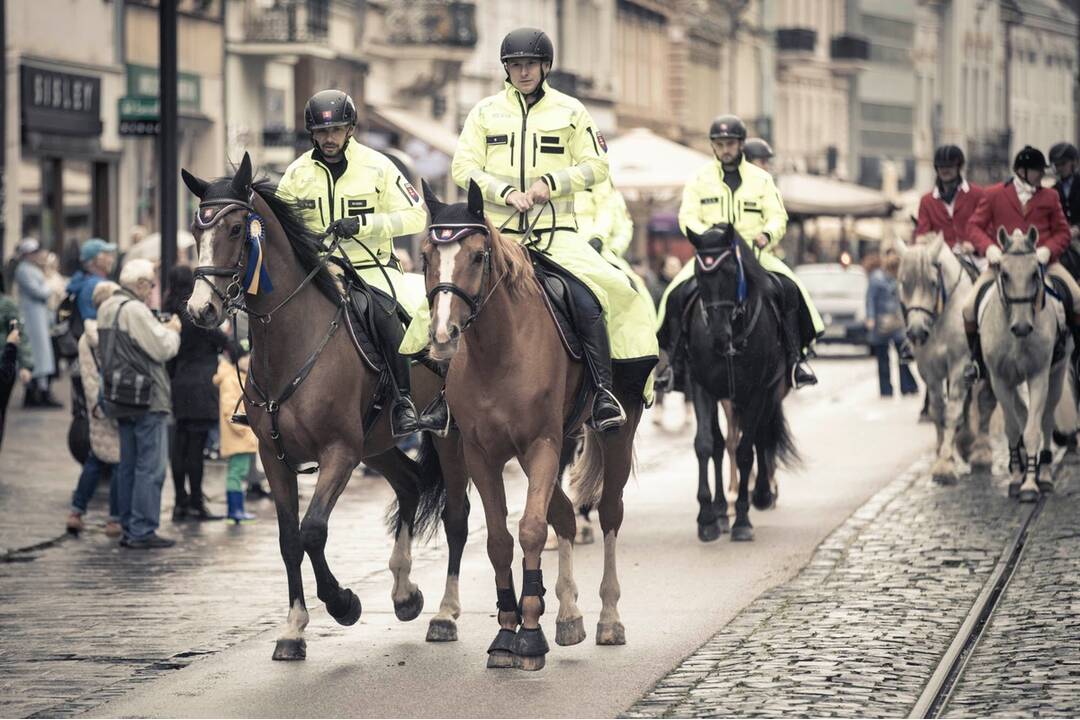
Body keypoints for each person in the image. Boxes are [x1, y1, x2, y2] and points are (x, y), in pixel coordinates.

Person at [400, 27, 659, 431]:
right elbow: (464, 166)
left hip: (556, 235)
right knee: (435, 306)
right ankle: (437, 401)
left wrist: (551, 185)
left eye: (530, 65)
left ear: (545, 67)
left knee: (598, 296)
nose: (523, 72)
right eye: (515, 65)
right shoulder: (484, 113)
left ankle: (606, 393)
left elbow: (597, 166)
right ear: (506, 69)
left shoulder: (571, 112)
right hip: (498, 237)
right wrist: (503, 192)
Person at [276, 89, 427, 438]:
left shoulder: (379, 166)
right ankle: (263, 399)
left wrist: (364, 225)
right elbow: (281, 225)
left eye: (336, 130)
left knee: (384, 313)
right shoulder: (297, 174)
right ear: (312, 133)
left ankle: (404, 401)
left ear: (351, 129)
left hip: (371, 266)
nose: (329, 139)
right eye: (322, 132)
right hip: (317, 271)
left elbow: (416, 216)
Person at [657, 114, 825, 391]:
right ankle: (673, 364)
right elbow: (688, 216)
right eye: (720, 144)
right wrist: (707, 238)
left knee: (788, 288)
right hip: (712, 256)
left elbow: (776, 216)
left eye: (731, 144)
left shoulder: (761, 179)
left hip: (754, 255)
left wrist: (766, 235)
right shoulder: (699, 179)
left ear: (741, 145)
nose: (726, 149)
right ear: (713, 146)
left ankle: (796, 360)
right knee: (676, 294)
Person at [962, 145, 1080, 381]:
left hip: (1044, 264)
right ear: (1022, 171)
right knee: (967, 307)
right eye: (1038, 171)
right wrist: (990, 249)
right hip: (1002, 266)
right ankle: (976, 362)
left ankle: (1077, 359)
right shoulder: (994, 194)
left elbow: (1063, 233)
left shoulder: (1050, 196)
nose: (1042, 176)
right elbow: (973, 227)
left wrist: (1048, 250)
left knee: (1077, 300)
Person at [98, 259, 181, 549]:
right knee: (151, 467)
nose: (152, 291)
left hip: (119, 395)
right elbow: (162, 348)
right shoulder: (135, 310)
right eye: (151, 285)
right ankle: (142, 529)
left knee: (128, 465)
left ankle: (125, 523)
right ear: (141, 284)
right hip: (147, 397)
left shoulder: (108, 306)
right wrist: (172, 330)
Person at [165, 266, 232, 522]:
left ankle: (180, 502)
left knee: (179, 445)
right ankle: (196, 502)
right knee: (196, 449)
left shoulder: (169, 311)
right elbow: (224, 342)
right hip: (201, 385)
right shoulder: (195, 314)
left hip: (179, 382)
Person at [65, 281, 122, 537]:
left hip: (94, 405)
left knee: (96, 458)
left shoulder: (85, 338)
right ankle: (115, 518)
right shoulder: (107, 333)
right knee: (119, 459)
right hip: (111, 403)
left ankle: (77, 511)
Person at [14, 238, 61, 407]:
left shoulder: (30, 269)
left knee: (41, 356)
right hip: (32, 320)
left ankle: (40, 391)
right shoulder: (24, 270)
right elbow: (39, 291)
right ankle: (35, 393)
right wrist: (51, 286)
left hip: (39, 318)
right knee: (35, 356)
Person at [915, 145, 986, 253]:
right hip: (941, 258)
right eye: (941, 167)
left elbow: (987, 227)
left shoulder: (978, 194)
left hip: (974, 255)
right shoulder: (926, 201)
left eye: (950, 166)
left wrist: (975, 245)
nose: (945, 170)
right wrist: (924, 239)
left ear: (959, 167)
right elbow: (921, 234)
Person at [866, 252, 918, 397]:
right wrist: (870, 318)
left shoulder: (900, 279)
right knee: (884, 358)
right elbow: (870, 299)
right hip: (881, 323)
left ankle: (906, 386)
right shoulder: (876, 279)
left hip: (896, 323)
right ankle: (887, 389)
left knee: (902, 356)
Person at [213, 354, 258, 523]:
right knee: (236, 473)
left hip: (242, 437)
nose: (249, 360)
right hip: (238, 437)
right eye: (245, 357)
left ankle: (237, 510)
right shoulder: (231, 379)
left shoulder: (240, 377)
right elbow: (230, 410)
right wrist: (246, 431)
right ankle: (235, 511)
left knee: (239, 472)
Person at [66, 238, 118, 324]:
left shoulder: (84, 280)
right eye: (108, 255)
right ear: (98, 260)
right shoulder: (95, 285)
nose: (112, 260)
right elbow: (94, 322)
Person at [1050, 142, 1080, 235]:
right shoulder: (1053, 190)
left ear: (1074, 162)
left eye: (1063, 163)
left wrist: (1078, 228)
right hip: (1063, 237)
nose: (1059, 168)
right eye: (1056, 165)